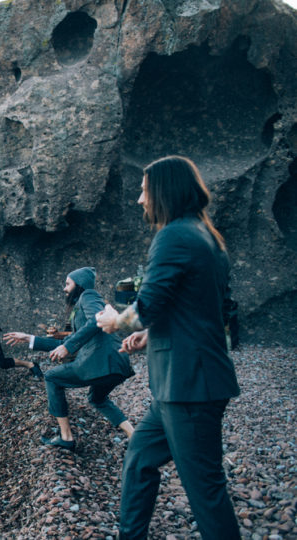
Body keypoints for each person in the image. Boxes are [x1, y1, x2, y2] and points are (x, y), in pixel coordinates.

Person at [96, 155, 241, 540]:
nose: (140, 200)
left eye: (144, 191)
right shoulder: (206, 236)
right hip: (182, 384)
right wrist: (154, 334)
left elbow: (148, 305)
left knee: (206, 490)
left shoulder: (174, 235)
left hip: (189, 386)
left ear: (164, 191)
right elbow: (211, 309)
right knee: (140, 459)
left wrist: (116, 321)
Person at [4, 267, 135, 450]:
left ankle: (66, 437)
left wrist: (68, 347)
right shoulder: (83, 305)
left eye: (67, 284)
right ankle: (134, 436)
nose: (65, 289)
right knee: (97, 399)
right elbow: (70, 339)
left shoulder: (88, 295)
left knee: (52, 377)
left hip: (101, 361)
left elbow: (96, 320)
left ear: (79, 284)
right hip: (117, 364)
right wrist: (29, 338)